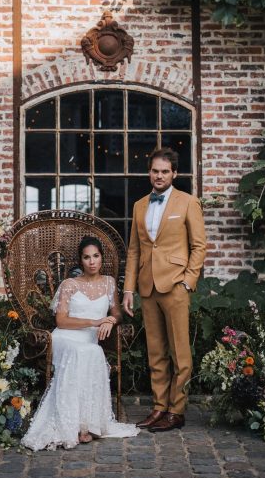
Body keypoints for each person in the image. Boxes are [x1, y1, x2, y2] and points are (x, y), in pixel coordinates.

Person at [21, 235, 139, 451]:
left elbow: (117, 313)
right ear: (80, 260)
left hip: (89, 341)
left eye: (96, 256)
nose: (92, 261)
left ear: (101, 258)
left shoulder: (109, 283)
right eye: (87, 257)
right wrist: (95, 321)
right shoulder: (69, 285)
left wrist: (111, 320)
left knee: (92, 351)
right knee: (84, 352)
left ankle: (89, 424)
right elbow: (61, 321)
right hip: (65, 337)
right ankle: (73, 426)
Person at [122, 147, 206, 432]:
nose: (159, 176)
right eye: (155, 171)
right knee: (155, 352)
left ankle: (177, 410)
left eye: (165, 171)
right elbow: (134, 250)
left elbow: (199, 246)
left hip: (175, 285)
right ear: (150, 172)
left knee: (180, 353)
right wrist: (128, 289)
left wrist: (188, 281)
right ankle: (159, 407)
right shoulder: (139, 205)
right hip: (147, 286)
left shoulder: (188, 202)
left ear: (174, 174)